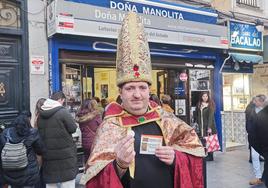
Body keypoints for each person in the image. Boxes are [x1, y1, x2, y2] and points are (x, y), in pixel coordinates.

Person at [80, 12, 205, 188]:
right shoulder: (110, 127)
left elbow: (195, 151)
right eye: (130, 88)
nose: (137, 94)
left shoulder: (165, 119)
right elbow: (96, 179)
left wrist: (176, 157)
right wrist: (119, 165)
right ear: (120, 93)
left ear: (149, 90)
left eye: (142, 87)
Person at [37, 91, 78, 188]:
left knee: (51, 183)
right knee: (67, 183)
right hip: (65, 155)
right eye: (63, 101)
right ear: (60, 100)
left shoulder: (40, 115)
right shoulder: (63, 112)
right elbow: (73, 128)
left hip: (49, 155)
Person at [0, 114, 44, 188]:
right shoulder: (33, 133)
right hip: (29, 174)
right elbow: (40, 150)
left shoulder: (5, 133)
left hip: (10, 173)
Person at [247, 95, 267, 186]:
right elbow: (249, 123)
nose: (254, 102)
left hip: (264, 139)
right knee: (255, 157)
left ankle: (263, 177)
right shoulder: (250, 109)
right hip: (255, 138)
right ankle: (258, 177)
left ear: (261, 102)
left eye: (256, 101)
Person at [195, 91, 217, 161]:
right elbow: (197, 114)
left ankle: (210, 156)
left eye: (206, 96)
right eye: (203, 96)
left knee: (209, 140)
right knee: (204, 140)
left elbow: (211, 117)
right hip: (201, 126)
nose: (205, 98)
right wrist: (197, 122)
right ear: (201, 97)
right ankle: (205, 154)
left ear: (208, 97)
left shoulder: (210, 105)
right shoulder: (199, 104)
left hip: (208, 126)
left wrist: (209, 127)